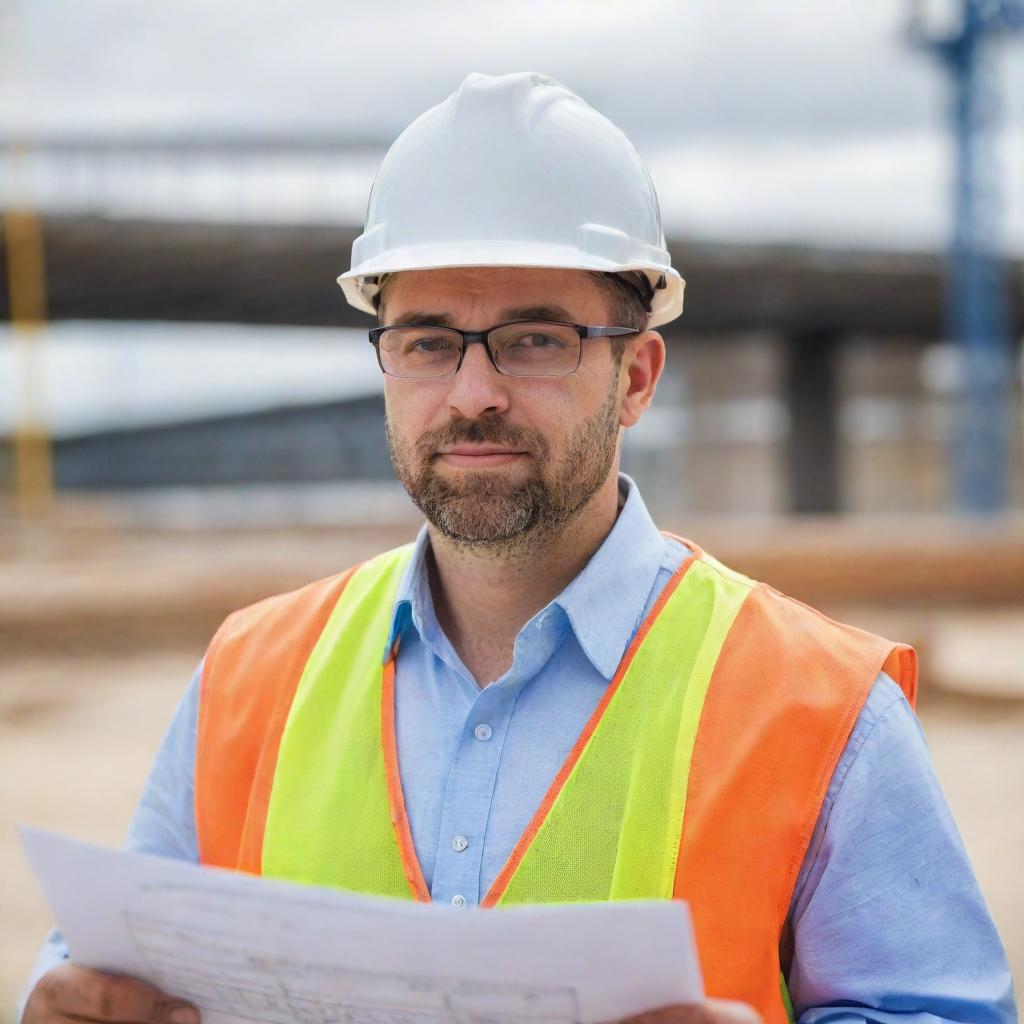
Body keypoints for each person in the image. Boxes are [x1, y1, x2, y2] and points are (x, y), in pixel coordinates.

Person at [18, 72, 1015, 1024]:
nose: (472, 393)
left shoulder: (820, 708)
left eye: (536, 339)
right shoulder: (248, 679)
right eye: (427, 341)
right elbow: (107, 966)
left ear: (637, 375)